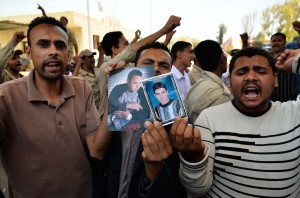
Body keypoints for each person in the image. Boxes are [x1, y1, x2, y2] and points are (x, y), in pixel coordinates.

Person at [0, 16, 113, 197]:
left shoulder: (81, 88)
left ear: (68, 53)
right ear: (28, 52)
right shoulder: (6, 96)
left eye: (60, 46)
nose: (54, 51)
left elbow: (97, 151)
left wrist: (112, 99)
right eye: (44, 44)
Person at [173, 47, 300, 197]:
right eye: (241, 72)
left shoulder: (294, 112)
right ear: (230, 82)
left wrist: (297, 61)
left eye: (261, 71)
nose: (251, 77)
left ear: (275, 79)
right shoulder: (210, 119)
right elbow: (197, 189)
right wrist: (193, 157)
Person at [95, 42, 187, 198]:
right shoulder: (119, 103)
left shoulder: (175, 120)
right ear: (135, 68)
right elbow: (97, 152)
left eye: (163, 65)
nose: (156, 68)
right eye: (148, 63)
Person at [97, 15, 181, 117]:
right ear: (114, 49)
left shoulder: (132, 68)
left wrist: (166, 42)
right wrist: (163, 30)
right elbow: (131, 51)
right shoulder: (106, 69)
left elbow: (154, 57)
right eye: (126, 44)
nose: (155, 68)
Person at [186, 40, 231, 124]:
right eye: (223, 54)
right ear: (222, 58)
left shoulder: (192, 89)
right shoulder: (223, 95)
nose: (225, 57)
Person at [269, 32, 300, 101]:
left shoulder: (290, 56)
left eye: (279, 41)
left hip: (288, 100)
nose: (276, 43)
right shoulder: (266, 58)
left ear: (285, 43)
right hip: (270, 102)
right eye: (274, 41)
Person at [170, 41, 193, 106]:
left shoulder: (186, 76)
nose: (193, 56)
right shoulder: (169, 78)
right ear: (179, 54)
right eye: (190, 52)